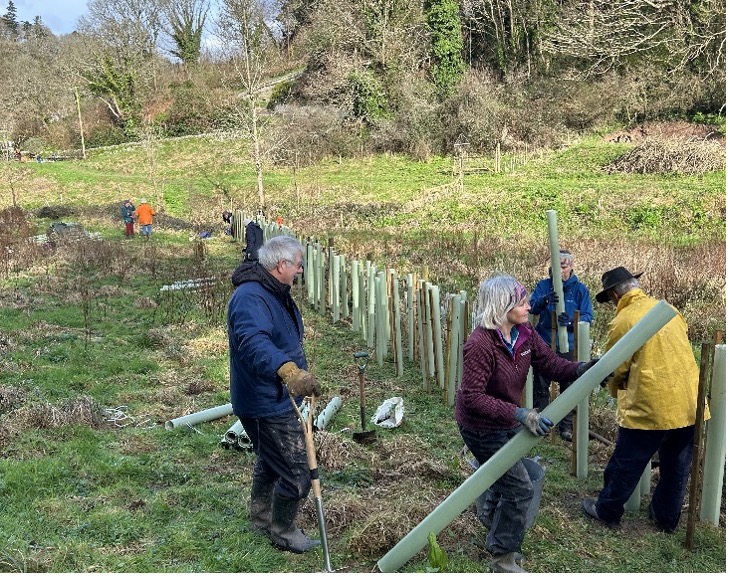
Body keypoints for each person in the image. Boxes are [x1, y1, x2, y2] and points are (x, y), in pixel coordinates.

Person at [455, 274, 597, 573]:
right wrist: (520, 414)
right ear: (502, 306)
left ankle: (491, 522)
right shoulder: (480, 344)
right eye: (521, 302)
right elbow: (472, 398)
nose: (528, 305)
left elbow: (551, 364)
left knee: (504, 479)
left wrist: (583, 369)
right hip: (481, 427)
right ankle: (502, 558)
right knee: (520, 489)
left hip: (506, 417)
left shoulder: (524, 333)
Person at [582, 267, 709, 532]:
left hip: (651, 406)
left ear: (615, 295)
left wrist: (614, 387)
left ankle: (607, 511)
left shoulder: (624, 320)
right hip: (688, 403)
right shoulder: (670, 310)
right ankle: (666, 520)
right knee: (676, 467)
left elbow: (616, 366)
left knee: (626, 463)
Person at [228, 235, 321, 554]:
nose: (300, 270)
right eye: (298, 265)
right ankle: (282, 529)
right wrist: (289, 371)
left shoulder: (272, 290)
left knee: (271, 459)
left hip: (276, 396)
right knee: (297, 469)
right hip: (264, 400)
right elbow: (253, 342)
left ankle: (262, 517)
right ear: (281, 265)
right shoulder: (251, 297)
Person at [529, 250, 593, 441]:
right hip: (545, 342)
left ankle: (564, 427)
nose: (559, 271)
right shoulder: (544, 285)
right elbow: (532, 306)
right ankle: (540, 424)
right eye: (556, 267)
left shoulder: (580, 290)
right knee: (540, 384)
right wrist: (545, 299)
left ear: (571, 267)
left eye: (563, 267)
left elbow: (588, 317)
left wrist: (573, 322)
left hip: (569, 346)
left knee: (568, 385)